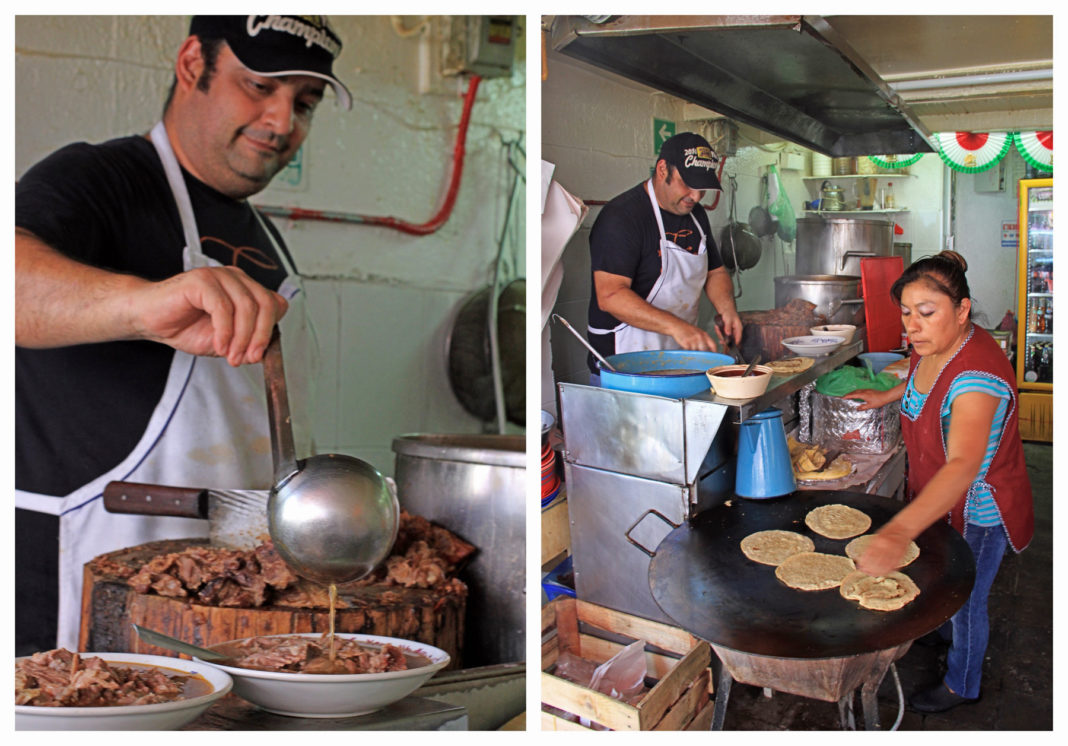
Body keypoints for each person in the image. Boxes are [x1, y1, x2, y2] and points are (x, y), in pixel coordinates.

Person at [15, 15, 352, 653]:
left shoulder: (265, 240)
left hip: (225, 606)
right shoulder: (100, 180)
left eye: (304, 103)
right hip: (77, 591)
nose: (283, 122)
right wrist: (144, 303)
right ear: (193, 62)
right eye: (260, 86)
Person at [848, 251, 1034, 713]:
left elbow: (964, 466)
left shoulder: (977, 379)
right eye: (906, 313)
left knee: (966, 599)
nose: (912, 327)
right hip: (940, 497)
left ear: (962, 310)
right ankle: (943, 627)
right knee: (943, 577)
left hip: (979, 509)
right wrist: (885, 397)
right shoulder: (933, 343)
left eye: (926, 313)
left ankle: (962, 683)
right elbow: (920, 379)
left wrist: (896, 532)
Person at [585, 132, 743, 380]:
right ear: (662, 170)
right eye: (687, 184)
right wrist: (677, 327)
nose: (696, 196)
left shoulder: (696, 215)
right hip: (623, 366)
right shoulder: (621, 217)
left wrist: (727, 310)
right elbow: (610, 295)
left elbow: (715, 272)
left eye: (702, 188)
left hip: (677, 360)